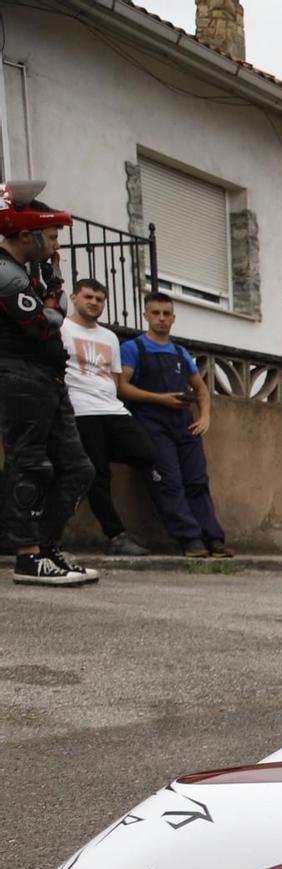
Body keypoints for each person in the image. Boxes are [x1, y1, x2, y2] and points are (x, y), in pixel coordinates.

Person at [0, 179, 98, 588]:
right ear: (26, 235)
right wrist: (51, 305)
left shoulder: (28, 272)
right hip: (19, 374)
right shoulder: (6, 273)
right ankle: (26, 557)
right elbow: (44, 325)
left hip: (46, 377)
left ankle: (45, 547)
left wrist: (49, 292)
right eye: (52, 236)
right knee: (30, 462)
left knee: (78, 467)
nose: (57, 246)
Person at [119, 291, 229, 559]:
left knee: (197, 481)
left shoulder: (180, 352)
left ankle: (213, 538)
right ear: (146, 315)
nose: (161, 319)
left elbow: (201, 389)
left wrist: (205, 418)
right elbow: (121, 387)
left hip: (184, 424)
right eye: (155, 313)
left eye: (166, 314)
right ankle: (190, 540)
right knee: (169, 482)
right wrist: (160, 399)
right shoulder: (133, 348)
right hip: (151, 423)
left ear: (173, 318)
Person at [62, 277, 157, 556]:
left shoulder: (110, 337)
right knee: (98, 475)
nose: (94, 303)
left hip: (112, 409)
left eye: (99, 299)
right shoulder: (62, 328)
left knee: (146, 452)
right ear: (75, 297)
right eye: (88, 297)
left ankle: (83, 456)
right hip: (80, 410)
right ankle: (115, 535)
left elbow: (114, 378)